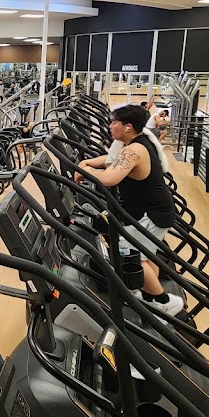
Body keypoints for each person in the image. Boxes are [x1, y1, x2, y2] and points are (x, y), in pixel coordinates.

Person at [75, 104, 183, 317]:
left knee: (130, 257)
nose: (110, 126)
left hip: (151, 213)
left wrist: (86, 171)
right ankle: (150, 296)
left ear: (128, 127)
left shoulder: (134, 150)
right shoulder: (136, 143)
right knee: (147, 255)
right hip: (154, 209)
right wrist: (88, 163)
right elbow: (112, 161)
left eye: (114, 122)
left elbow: (109, 178)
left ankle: (164, 302)